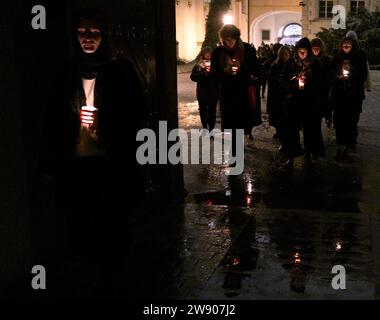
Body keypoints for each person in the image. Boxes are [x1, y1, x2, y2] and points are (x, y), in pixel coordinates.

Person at [40, 8, 146, 293]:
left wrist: (108, 126)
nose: (88, 38)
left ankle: (115, 278)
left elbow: (136, 114)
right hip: (76, 162)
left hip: (111, 162)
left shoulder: (119, 70)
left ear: (104, 35)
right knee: (82, 222)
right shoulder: (68, 71)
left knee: (113, 223)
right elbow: (51, 118)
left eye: (94, 32)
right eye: (82, 32)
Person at [211, 24, 260, 150]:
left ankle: (237, 151)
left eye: (231, 40)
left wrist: (242, 68)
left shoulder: (247, 49)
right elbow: (214, 74)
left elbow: (256, 69)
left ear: (237, 38)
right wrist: (224, 71)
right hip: (226, 93)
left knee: (240, 123)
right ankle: (234, 151)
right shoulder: (218, 52)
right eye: (225, 40)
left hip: (242, 93)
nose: (228, 43)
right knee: (230, 124)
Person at [279, 37, 324, 169]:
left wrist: (310, 82)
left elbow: (322, 82)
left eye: (304, 51)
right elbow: (283, 78)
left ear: (309, 51)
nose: (302, 54)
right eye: (300, 51)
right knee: (291, 130)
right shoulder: (291, 63)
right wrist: (288, 91)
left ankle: (310, 153)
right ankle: (291, 156)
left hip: (309, 102)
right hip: (294, 101)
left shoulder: (315, 64)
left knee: (310, 129)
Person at [330, 36, 368, 158]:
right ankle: (340, 141)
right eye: (344, 45)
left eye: (348, 45)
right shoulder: (337, 57)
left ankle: (350, 140)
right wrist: (337, 78)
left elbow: (363, 75)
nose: (346, 47)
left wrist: (351, 77)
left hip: (354, 95)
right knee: (339, 118)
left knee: (352, 118)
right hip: (339, 94)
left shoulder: (359, 57)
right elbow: (330, 74)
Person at [190, 46, 219, 133]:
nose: (208, 55)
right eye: (206, 53)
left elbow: (219, 76)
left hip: (213, 92)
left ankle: (211, 129)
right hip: (202, 92)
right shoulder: (199, 65)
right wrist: (203, 74)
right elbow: (193, 77)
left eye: (209, 54)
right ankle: (205, 127)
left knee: (212, 112)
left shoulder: (215, 64)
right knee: (202, 111)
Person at [267, 46, 291, 142]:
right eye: (282, 54)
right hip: (277, 95)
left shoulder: (291, 65)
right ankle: (278, 131)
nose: (284, 56)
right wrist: (279, 78)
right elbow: (271, 79)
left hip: (287, 95)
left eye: (286, 54)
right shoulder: (275, 65)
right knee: (278, 114)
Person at [310, 38, 332, 127]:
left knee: (325, 104)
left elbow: (329, 73)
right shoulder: (309, 59)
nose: (315, 50)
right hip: (313, 88)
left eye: (317, 48)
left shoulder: (326, 59)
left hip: (323, 87)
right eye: (313, 48)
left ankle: (328, 117)